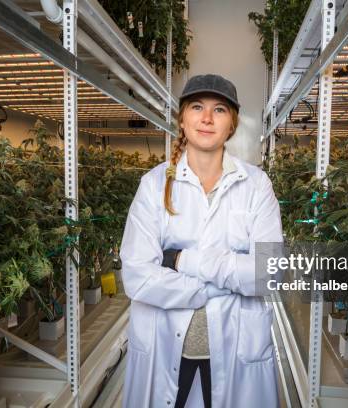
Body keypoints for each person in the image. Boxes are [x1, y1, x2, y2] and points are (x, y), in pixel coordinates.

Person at [120, 74, 283, 408]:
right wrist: (221, 283)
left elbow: (270, 273)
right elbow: (137, 276)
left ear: (232, 124)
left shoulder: (256, 186)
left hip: (236, 348)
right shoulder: (153, 185)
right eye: (197, 107)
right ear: (183, 119)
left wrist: (182, 261)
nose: (207, 118)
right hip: (166, 348)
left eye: (219, 109)